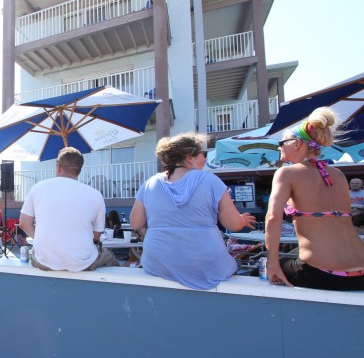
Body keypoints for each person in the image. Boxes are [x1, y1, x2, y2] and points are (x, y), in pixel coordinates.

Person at [129, 132, 255, 290]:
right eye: (204, 154)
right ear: (189, 157)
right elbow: (233, 224)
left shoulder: (149, 184)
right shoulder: (210, 180)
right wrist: (242, 219)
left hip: (157, 263)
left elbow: (135, 222)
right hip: (205, 265)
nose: (205, 158)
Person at [265, 107, 364, 290]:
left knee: (262, 272)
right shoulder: (338, 175)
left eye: (282, 142)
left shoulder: (286, 173)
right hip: (361, 271)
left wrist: (272, 264)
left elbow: (273, 218)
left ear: (296, 143)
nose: (279, 147)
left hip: (322, 272)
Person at [19, 147, 119, 271]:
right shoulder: (95, 194)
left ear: (59, 167)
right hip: (82, 262)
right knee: (111, 258)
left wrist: (43, 240)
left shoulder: (38, 188)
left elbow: (23, 223)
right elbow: (96, 237)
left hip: (43, 260)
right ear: (79, 169)